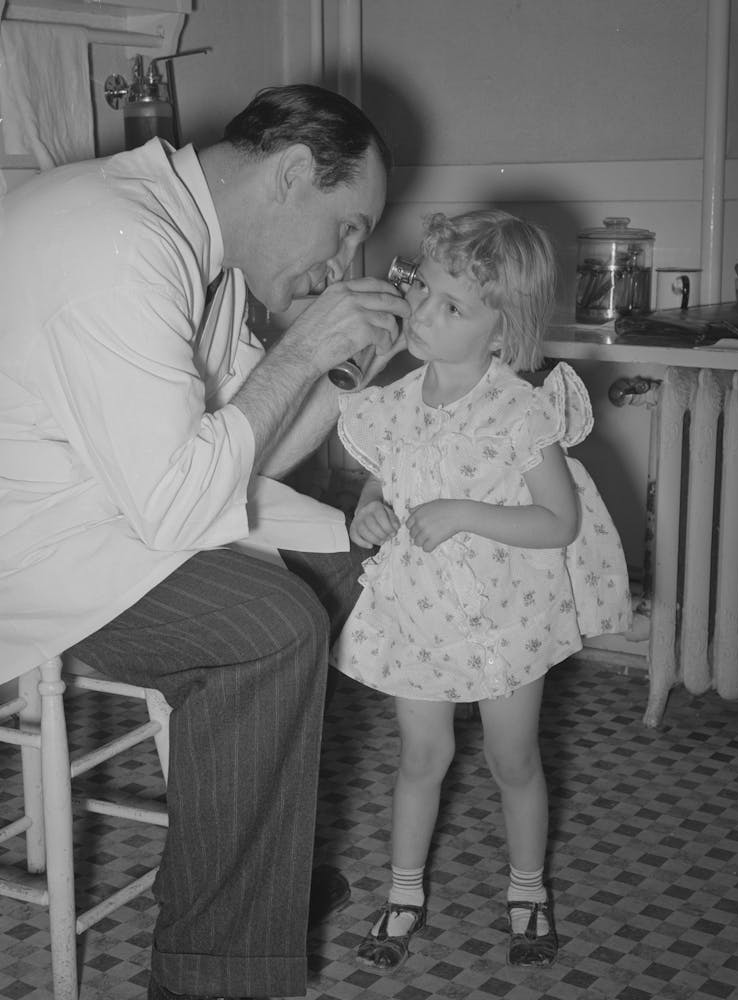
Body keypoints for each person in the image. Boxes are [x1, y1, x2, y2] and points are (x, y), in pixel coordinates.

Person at [0, 84, 411, 1000]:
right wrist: (301, 351)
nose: (345, 256)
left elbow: (243, 451)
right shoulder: (119, 243)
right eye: (346, 227)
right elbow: (182, 505)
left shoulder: (201, 252)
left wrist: (340, 378)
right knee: (269, 628)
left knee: (336, 557)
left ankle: (242, 869)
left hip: (112, 508)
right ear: (294, 174)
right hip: (27, 546)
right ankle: (213, 975)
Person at [333, 209, 632, 972]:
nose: (425, 314)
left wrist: (465, 513)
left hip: (505, 619)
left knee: (513, 760)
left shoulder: (520, 409)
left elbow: (558, 521)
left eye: (453, 307)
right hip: (418, 613)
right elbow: (383, 477)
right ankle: (403, 892)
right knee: (420, 757)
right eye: (425, 292)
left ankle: (527, 887)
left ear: (504, 332)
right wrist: (369, 508)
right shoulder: (395, 399)